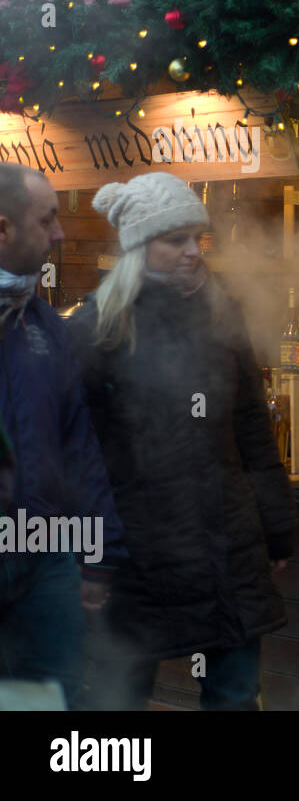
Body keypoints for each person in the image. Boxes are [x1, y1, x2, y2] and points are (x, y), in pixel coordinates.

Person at [67, 172, 298, 710]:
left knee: (235, 696)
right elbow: (78, 456)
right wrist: (91, 557)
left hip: (226, 545)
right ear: (138, 249)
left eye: (198, 238)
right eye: (176, 240)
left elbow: (250, 429)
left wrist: (276, 526)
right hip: (137, 555)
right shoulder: (96, 330)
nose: (194, 251)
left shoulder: (222, 314)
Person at [0, 163, 127, 709]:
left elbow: (80, 447)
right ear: (3, 229)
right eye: (47, 219)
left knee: (54, 697)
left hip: (45, 552)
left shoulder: (44, 327)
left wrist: (98, 556)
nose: (60, 233)